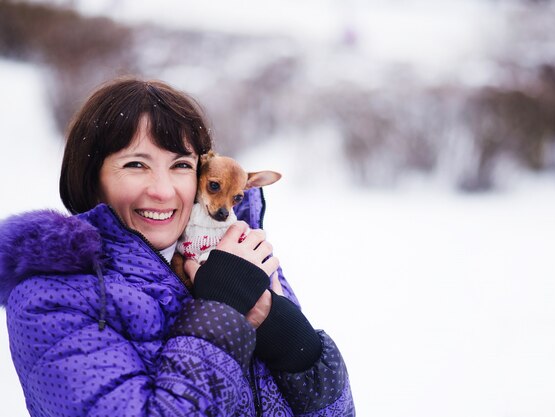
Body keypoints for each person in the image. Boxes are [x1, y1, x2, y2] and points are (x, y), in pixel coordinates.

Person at [0, 77, 354, 416]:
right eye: (136, 164)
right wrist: (220, 309)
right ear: (90, 176)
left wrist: (292, 342)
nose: (163, 191)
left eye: (181, 165)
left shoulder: (241, 255)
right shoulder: (52, 296)